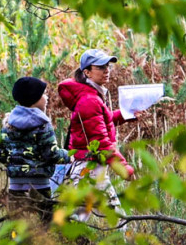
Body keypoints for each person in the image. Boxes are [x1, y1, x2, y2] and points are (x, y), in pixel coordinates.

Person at [58, 49, 136, 223]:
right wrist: (124, 168)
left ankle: (65, 244)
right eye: (100, 67)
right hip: (91, 169)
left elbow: (101, 121)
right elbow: (100, 141)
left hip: (85, 167)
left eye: (107, 66)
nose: (106, 70)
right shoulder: (89, 100)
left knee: (77, 217)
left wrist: (127, 114)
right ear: (87, 72)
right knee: (118, 219)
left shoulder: (91, 95)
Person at [0, 76, 69, 222]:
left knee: (17, 225)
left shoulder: (8, 123)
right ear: (35, 99)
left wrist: (13, 163)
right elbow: (51, 154)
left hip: (15, 184)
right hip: (40, 185)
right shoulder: (43, 125)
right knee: (47, 223)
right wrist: (68, 156)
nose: (46, 98)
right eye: (43, 94)